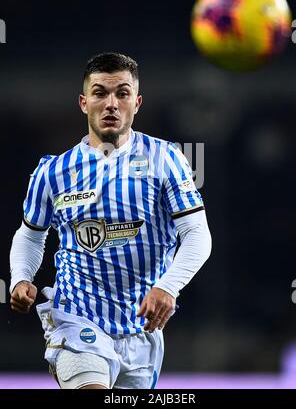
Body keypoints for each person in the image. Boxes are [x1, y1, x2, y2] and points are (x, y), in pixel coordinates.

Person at [9, 52, 212, 390]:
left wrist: (167, 286)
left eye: (122, 93)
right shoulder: (53, 171)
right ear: (84, 102)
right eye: (101, 93)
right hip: (76, 319)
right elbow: (30, 235)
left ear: (137, 102)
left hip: (140, 330)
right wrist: (20, 278)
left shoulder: (166, 159)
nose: (111, 103)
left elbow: (197, 234)